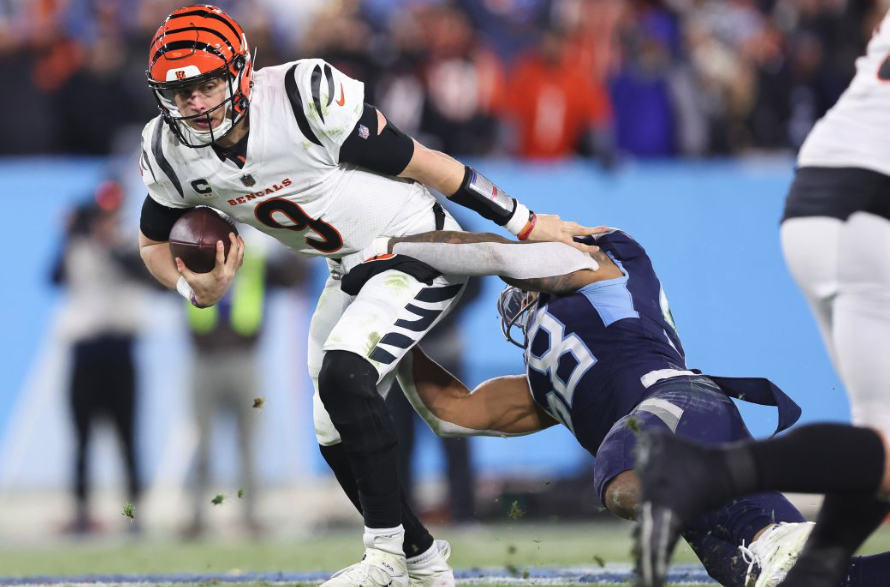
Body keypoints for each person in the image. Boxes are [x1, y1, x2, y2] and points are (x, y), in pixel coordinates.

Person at [135, 6, 597, 587]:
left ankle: (384, 557)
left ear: (241, 73)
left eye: (207, 85)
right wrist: (189, 286)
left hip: (415, 243)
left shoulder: (301, 99)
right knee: (330, 425)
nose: (196, 103)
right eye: (181, 92)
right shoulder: (170, 152)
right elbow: (151, 242)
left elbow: (426, 163)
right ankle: (423, 562)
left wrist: (526, 222)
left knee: (344, 372)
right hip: (348, 269)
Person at [347, 227, 890, 587]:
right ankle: (779, 540)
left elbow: (501, 254)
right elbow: (452, 411)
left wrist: (397, 245)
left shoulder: (608, 268)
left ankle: (771, 535)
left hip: (677, 403)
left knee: (619, 476)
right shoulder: (544, 384)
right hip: (685, 438)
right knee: (797, 576)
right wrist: (387, 332)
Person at [633, 9, 890, 587]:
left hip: (821, 194)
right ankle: (710, 471)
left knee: (881, 446)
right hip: (872, 203)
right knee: (883, 445)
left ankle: (815, 572)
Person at [182, 229, 305, 539]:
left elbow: (294, 277)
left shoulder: (256, 257)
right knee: (201, 442)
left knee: (249, 442)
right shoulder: (196, 256)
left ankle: (251, 516)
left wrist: (292, 238)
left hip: (244, 359)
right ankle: (196, 516)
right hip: (204, 359)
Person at [52, 182, 151, 534]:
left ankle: (133, 514)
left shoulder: (129, 244)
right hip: (86, 352)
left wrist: (107, 243)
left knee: (127, 437)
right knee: (82, 438)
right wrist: (69, 235)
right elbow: (53, 277)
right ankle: (82, 512)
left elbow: (139, 275)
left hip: (120, 350)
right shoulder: (77, 246)